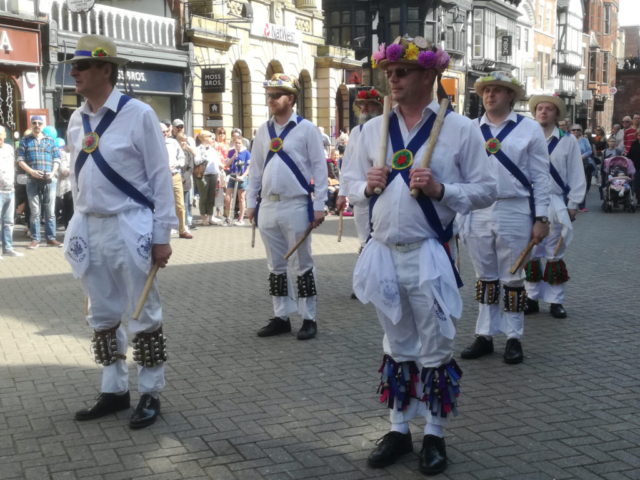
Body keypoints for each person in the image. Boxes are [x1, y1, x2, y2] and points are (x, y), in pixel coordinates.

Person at [347, 38, 497, 475]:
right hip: (382, 252)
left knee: (435, 344)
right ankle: (398, 429)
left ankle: (434, 433)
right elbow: (347, 184)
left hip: (429, 251)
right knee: (396, 342)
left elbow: (488, 189)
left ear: (429, 76)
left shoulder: (461, 130)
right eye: (389, 71)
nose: (392, 78)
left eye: (403, 71)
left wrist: (441, 190)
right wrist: (363, 186)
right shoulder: (368, 130)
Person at [62, 34, 177, 428]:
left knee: (143, 311)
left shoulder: (139, 113)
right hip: (91, 226)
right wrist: (76, 226)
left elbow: (161, 178)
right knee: (102, 313)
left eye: (81, 66)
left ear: (105, 69)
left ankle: (150, 392)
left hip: (130, 224)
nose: (73, 72)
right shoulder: (77, 120)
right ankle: (113, 390)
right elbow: (78, 181)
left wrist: (162, 234)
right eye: (73, 65)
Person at [459, 71, 550, 366]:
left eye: (498, 90)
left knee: (512, 277)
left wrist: (542, 217)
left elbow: (540, 177)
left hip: (514, 208)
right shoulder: (470, 128)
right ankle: (485, 335)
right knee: (485, 277)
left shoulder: (530, 129)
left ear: (511, 95)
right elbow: (459, 172)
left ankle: (513, 337)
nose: (490, 95)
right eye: (486, 91)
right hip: (477, 210)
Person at [246, 73, 327, 341]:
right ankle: (281, 316)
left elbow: (319, 168)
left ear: (290, 99)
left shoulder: (307, 129)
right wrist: (250, 203)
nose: (270, 99)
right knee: (275, 265)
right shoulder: (262, 130)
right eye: (268, 95)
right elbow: (255, 170)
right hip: (268, 206)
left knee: (302, 263)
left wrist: (319, 205)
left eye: (276, 95)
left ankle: (308, 318)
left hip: (296, 204)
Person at [523, 95, 586, 319]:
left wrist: (573, 203)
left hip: (555, 201)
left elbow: (576, 172)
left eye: (549, 109)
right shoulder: (526, 136)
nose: (544, 112)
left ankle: (555, 301)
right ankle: (531, 298)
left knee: (554, 252)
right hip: (527, 202)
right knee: (530, 252)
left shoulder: (567, 140)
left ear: (556, 114)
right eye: (540, 108)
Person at [339, 88, 384, 298]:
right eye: (362, 106)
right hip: (361, 194)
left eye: (370, 105)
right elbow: (347, 167)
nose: (365, 109)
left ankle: (380, 281)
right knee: (364, 240)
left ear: (380, 106)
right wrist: (342, 193)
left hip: (383, 194)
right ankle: (364, 283)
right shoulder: (356, 132)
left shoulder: (387, 126)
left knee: (381, 239)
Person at [17, 116, 62, 249]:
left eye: (39, 123)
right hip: (32, 181)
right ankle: (35, 239)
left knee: (50, 211)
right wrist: (32, 172)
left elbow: (57, 159)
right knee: (35, 211)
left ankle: (51, 238)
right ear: (31, 125)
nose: (37, 125)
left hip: (49, 180)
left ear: (43, 125)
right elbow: (20, 160)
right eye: (34, 123)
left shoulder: (50, 140)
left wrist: (52, 173)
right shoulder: (25, 140)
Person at [0, 127, 23, 258]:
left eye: (1, 134)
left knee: (8, 222)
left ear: (4, 135)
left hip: (10, 190)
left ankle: (8, 248)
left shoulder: (9, 148)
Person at [194, 130, 223, 225]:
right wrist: (204, 157)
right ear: (204, 138)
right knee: (203, 197)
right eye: (210, 136)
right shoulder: (198, 149)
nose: (212, 138)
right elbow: (196, 161)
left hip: (213, 174)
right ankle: (203, 218)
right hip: (203, 175)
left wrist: (219, 174)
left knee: (211, 197)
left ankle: (210, 217)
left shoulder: (213, 149)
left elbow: (218, 162)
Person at [224, 136, 251, 226]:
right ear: (233, 143)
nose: (237, 145)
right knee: (227, 198)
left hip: (241, 177)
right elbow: (226, 164)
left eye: (239, 143)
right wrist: (233, 157)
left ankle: (241, 218)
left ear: (242, 143)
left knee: (241, 198)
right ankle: (228, 217)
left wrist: (243, 176)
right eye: (236, 143)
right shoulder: (231, 152)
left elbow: (248, 167)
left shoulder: (246, 153)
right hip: (232, 176)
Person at [176, 132, 196, 230]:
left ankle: (186, 223)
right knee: (177, 203)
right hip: (175, 181)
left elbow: (191, 168)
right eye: (182, 142)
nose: (184, 144)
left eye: (185, 142)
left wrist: (183, 178)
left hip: (185, 182)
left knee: (186, 203)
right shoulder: (174, 153)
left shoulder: (188, 154)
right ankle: (177, 223)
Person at [572, 125, 593, 212]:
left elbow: (589, 151)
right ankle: (571, 204)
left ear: (581, 131)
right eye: (574, 130)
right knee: (571, 184)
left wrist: (581, 156)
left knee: (581, 184)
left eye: (578, 130)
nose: (576, 131)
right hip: (570, 164)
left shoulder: (584, 140)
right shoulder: (568, 139)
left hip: (582, 164)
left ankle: (581, 205)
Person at [55, 138, 74, 230]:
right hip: (67, 187)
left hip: (76, 185)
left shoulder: (77, 153)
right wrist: (75, 169)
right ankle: (68, 230)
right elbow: (63, 171)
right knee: (68, 210)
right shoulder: (62, 154)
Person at [626, 129, 640, 195]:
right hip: (636, 166)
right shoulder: (634, 143)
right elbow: (630, 154)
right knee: (637, 184)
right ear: (636, 136)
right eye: (639, 135)